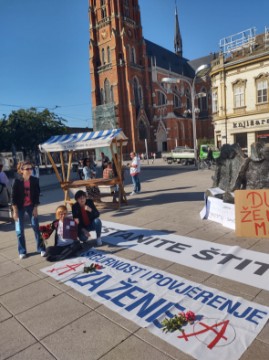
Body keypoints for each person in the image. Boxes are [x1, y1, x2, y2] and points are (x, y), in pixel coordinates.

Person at [11, 161, 46, 259]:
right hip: (19, 207)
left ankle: (41, 248)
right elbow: (13, 198)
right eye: (27, 169)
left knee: (36, 227)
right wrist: (15, 212)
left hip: (31, 206)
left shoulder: (34, 180)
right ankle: (22, 251)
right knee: (19, 230)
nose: (30, 170)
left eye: (31, 168)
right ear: (21, 170)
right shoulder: (16, 181)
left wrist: (35, 208)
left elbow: (36, 196)